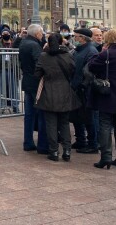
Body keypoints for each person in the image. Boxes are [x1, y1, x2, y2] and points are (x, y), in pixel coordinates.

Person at [87, 29, 116, 169]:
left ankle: (106, 157)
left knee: (105, 124)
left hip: (107, 93)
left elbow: (91, 65)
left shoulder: (106, 53)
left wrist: (102, 52)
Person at [34, 33, 80, 162]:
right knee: (64, 123)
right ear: (61, 42)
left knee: (51, 124)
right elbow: (73, 71)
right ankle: (67, 150)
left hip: (49, 91)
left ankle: (53, 151)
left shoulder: (44, 56)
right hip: (65, 91)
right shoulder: (68, 55)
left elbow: (37, 73)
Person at [18, 24, 48, 154]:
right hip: (36, 84)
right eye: (42, 33)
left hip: (27, 81)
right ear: (37, 34)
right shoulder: (35, 45)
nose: (43, 35)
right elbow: (39, 64)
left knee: (29, 114)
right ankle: (42, 144)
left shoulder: (24, 43)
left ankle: (28, 142)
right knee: (41, 114)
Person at [70, 28, 99, 154]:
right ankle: (80, 140)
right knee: (77, 116)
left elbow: (90, 71)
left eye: (76, 36)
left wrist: (83, 84)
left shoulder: (91, 51)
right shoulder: (78, 50)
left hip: (85, 89)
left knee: (88, 118)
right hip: (76, 87)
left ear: (82, 38)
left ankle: (92, 143)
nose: (74, 38)